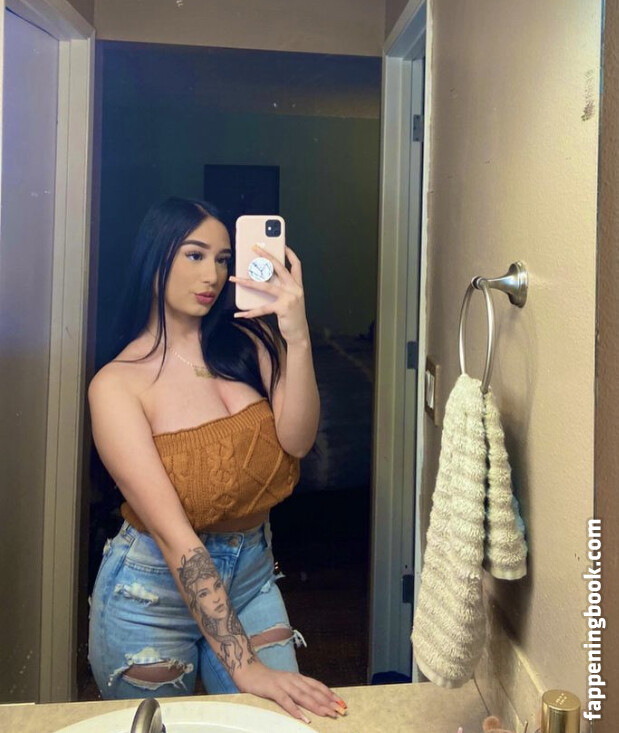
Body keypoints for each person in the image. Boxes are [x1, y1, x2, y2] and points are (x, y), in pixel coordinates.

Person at [87, 197, 346, 722]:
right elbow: (173, 536)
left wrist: (296, 335)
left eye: (224, 259)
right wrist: (245, 666)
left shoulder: (249, 340)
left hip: (250, 576)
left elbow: (297, 440)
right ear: (155, 259)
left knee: (277, 721)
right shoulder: (116, 385)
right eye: (195, 255)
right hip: (151, 595)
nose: (213, 274)